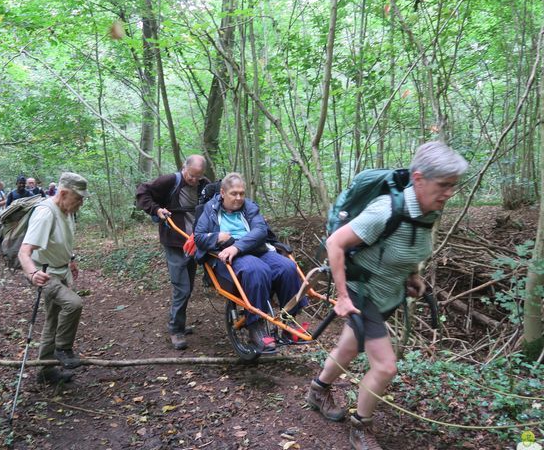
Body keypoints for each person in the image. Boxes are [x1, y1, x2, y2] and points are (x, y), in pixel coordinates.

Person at [306, 141, 468, 450]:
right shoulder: (384, 210)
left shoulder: (427, 211)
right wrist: (342, 297)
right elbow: (335, 244)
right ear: (419, 179)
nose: (449, 192)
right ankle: (361, 426)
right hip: (362, 293)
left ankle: (318, 390)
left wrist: (413, 275)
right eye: (444, 185)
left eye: (453, 186)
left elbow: (407, 247)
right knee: (385, 366)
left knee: (349, 347)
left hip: (388, 293)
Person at [193, 172, 306, 352]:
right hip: (227, 256)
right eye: (234, 193)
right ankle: (256, 327)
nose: (239, 198)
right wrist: (217, 237)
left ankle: (288, 322)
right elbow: (198, 237)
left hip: (255, 248)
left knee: (288, 267)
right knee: (256, 270)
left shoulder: (250, 207)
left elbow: (260, 231)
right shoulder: (210, 208)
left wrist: (237, 247)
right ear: (223, 193)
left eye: (242, 193)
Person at [18, 172, 89, 384]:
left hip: (61, 270)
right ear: (64, 193)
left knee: (52, 320)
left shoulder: (66, 210)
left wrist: (71, 258)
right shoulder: (45, 213)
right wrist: (32, 274)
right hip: (46, 275)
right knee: (74, 304)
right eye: (78, 198)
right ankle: (63, 349)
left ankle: (45, 370)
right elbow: (24, 251)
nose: (81, 203)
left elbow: (61, 240)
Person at [135, 155, 209, 350]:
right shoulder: (170, 181)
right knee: (181, 288)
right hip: (175, 242)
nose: (194, 180)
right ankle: (175, 330)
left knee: (188, 286)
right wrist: (156, 210)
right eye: (191, 176)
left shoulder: (204, 185)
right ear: (184, 168)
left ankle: (180, 324)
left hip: (195, 242)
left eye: (198, 176)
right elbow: (143, 191)